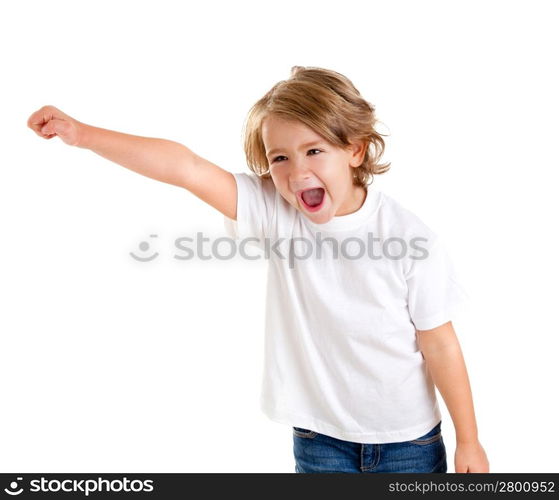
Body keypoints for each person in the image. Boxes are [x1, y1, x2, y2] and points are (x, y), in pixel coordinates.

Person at [27, 65, 489, 473]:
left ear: (356, 150)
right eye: (279, 158)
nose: (295, 171)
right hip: (319, 438)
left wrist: (468, 440)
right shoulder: (273, 208)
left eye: (314, 151)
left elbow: (440, 342)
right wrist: (82, 134)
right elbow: (184, 167)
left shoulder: (410, 238)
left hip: (407, 441)